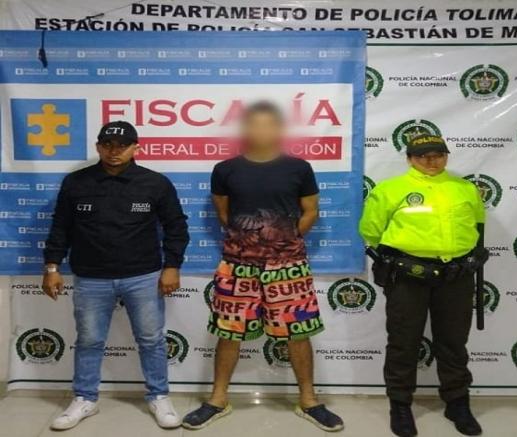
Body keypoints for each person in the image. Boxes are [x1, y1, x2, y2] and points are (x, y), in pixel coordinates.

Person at [182, 102, 343, 432]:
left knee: (298, 332)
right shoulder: (225, 169)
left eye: (269, 124)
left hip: (289, 266)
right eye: (255, 124)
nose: (262, 131)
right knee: (228, 332)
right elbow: (224, 213)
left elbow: (311, 210)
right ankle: (218, 399)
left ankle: (309, 400)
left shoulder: (299, 168)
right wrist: (250, 242)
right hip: (237, 266)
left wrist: (286, 240)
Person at [42, 121, 190, 430]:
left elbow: (176, 227)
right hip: (91, 277)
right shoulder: (76, 182)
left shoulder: (155, 183)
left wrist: (172, 266)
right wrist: (52, 267)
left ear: (136, 148)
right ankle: (85, 398)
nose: (114, 151)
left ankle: (159, 395)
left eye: (122, 145)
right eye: (107, 144)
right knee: (89, 340)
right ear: (98, 147)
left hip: (144, 276)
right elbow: (60, 227)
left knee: (150, 339)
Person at [359, 134, 487, 437]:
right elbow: (370, 231)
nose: (431, 161)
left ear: (446, 156)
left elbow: (476, 228)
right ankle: (400, 405)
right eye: (423, 156)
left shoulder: (465, 188)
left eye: (438, 155)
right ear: (409, 159)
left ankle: (457, 402)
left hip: (456, 275)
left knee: (453, 342)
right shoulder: (389, 189)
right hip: (408, 276)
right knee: (403, 341)